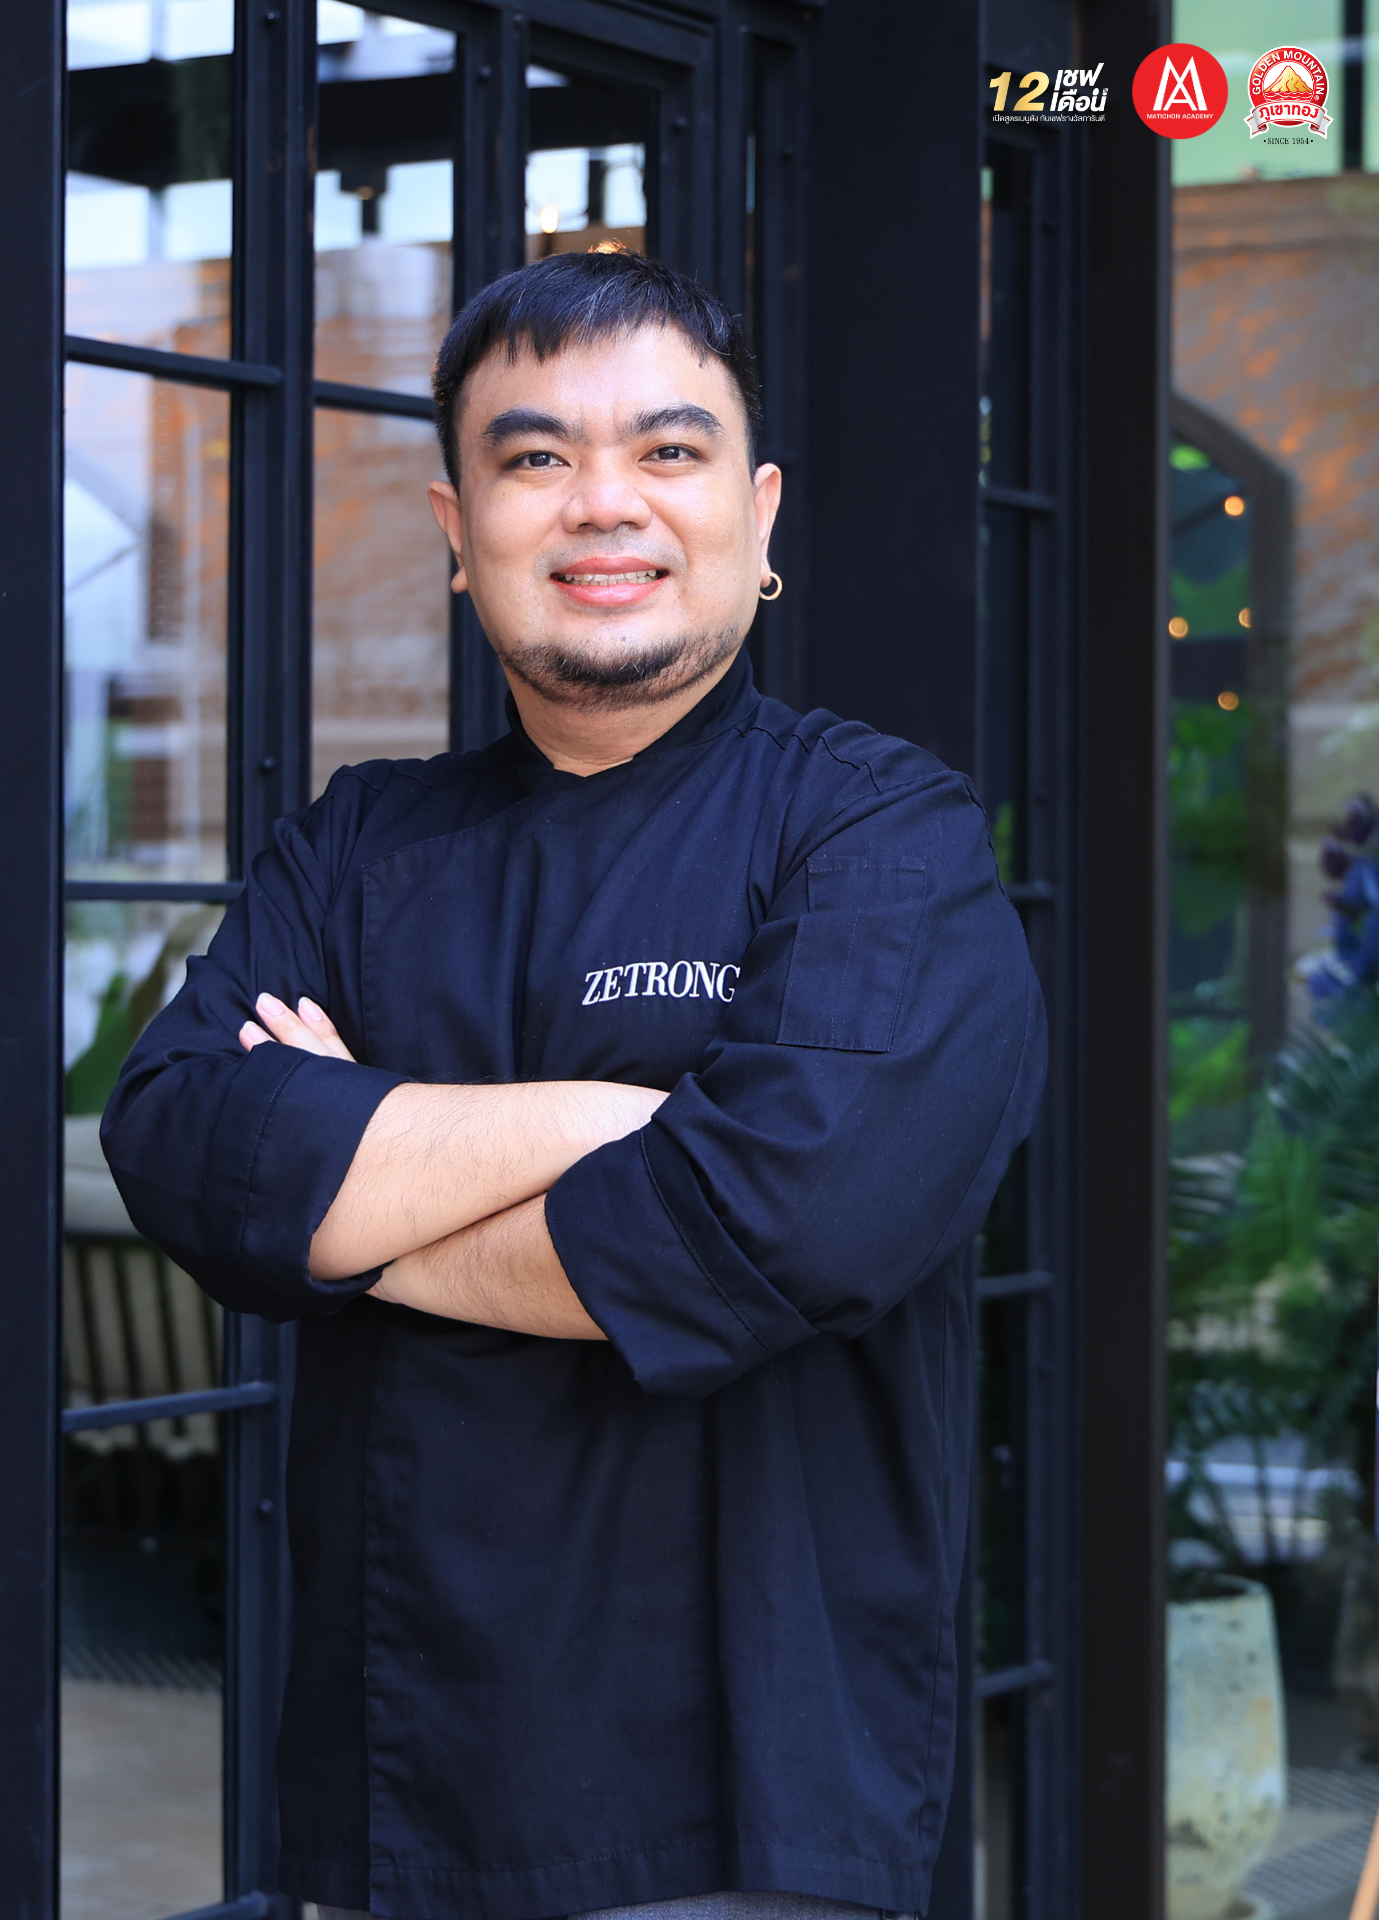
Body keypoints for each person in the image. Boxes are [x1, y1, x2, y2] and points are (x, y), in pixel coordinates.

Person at [101, 250, 1046, 1920]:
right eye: (534, 457)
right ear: (458, 530)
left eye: (668, 450)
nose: (603, 502)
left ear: (760, 515)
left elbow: (780, 1220)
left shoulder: (878, 835)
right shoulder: (356, 847)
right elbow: (183, 1142)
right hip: (398, 1796)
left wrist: (358, 1216)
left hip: (748, 1810)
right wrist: (617, 1129)